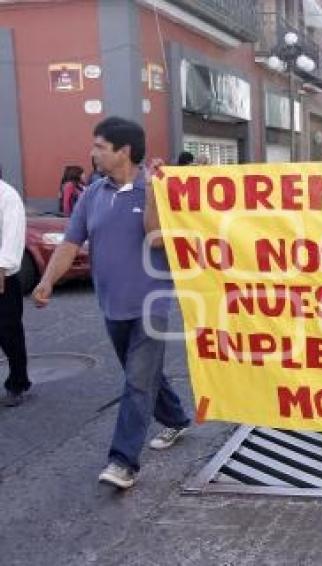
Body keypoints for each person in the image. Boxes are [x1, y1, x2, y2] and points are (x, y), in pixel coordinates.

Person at [33, 117, 191, 490]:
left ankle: (123, 462)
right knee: (144, 375)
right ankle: (176, 419)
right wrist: (46, 280)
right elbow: (71, 243)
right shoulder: (92, 194)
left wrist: (153, 191)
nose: (93, 153)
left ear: (124, 151)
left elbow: (157, 239)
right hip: (111, 303)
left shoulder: (157, 190)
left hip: (152, 303)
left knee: (137, 381)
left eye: (100, 146)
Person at [0, 166, 30, 407]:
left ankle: (18, 382)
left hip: (3, 278)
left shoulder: (7, 196)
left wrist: (2, 267)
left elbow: (12, 235)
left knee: (8, 333)